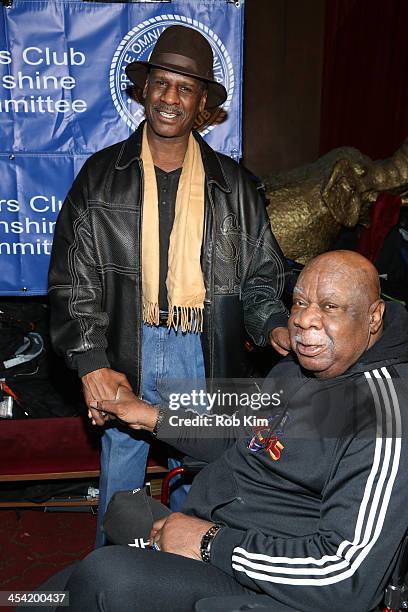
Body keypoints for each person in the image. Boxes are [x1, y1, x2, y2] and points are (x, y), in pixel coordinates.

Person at [40, 250, 408, 612]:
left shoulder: (381, 417)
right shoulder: (296, 370)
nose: (305, 320)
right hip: (219, 533)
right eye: (299, 303)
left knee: (106, 576)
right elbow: (241, 435)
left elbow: (346, 578)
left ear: (374, 317)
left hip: (274, 580)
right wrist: (151, 416)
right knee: (46, 598)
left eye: (330, 307)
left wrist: (208, 542)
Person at [47, 24, 289, 547]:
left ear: (202, 103)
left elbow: (261, 281)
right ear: (144, 90)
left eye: (184, 88)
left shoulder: (235, 187)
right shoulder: (100, 177)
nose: (169, 98)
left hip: (208, 352)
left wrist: (275, 327)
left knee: (204, 480)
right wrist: (91, 360)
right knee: (120, 488)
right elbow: (74, 281)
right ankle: (113, 580)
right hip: (125, 349)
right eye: (161, 83)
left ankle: (186, 578)